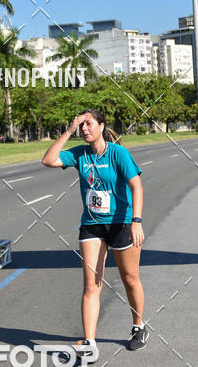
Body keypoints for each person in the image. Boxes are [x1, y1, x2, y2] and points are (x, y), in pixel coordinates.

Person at [42, 109, 148, 353]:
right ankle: (89, 343)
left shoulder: (118, 153)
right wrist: (69, 130)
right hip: (92, 224)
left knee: (129, 278)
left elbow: (137, 186)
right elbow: (48, 160)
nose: (84, 129)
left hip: (121, 223)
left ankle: (138, 326)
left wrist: (137, 221)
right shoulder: (79, 154)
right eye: (81, 125)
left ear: (101, 126)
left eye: (88, 124)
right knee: (91, 284)